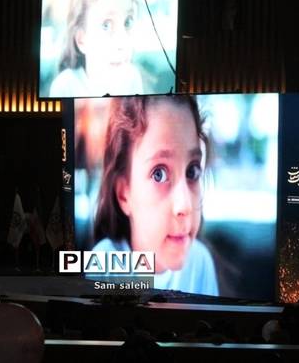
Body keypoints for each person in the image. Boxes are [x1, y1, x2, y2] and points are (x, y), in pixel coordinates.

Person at [92, 95, 219, 296]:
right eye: (159, 174)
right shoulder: (104, 264)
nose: (184, 206)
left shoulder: (200, 263)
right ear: (124, 194)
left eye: (192, 171)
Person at [49, 0, 144, 97]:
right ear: (81, 40)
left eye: (127, 22)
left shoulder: (133, 79)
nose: (123, 42)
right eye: (106, 25)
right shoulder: (65, 87)